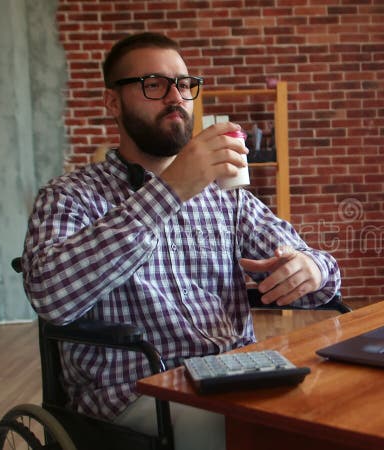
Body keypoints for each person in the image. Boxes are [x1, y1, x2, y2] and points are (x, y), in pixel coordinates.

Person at [21, 32, 341, 450]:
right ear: (113, 102)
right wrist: (169, 191)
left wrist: (310, 270)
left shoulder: (225, 195)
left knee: (336, 414)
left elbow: (322, 273)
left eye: (184, 84)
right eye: (153, 84)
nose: (175, 96)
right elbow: (50, 294)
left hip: (237, 375)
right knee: (266, 436)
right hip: (137, 394)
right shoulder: (70, 195)